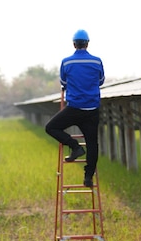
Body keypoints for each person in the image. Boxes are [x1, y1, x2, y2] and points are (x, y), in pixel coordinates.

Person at [45, 29, 105, 187]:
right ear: (87, 43)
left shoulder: (66, 62)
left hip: (74, 108)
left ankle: (74, 147)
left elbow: (63, 83)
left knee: (51, 127)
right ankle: (88, 177)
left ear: (74, 44)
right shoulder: (97, 61)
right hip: (92, 109)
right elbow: (100, 81)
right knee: (93, 143)